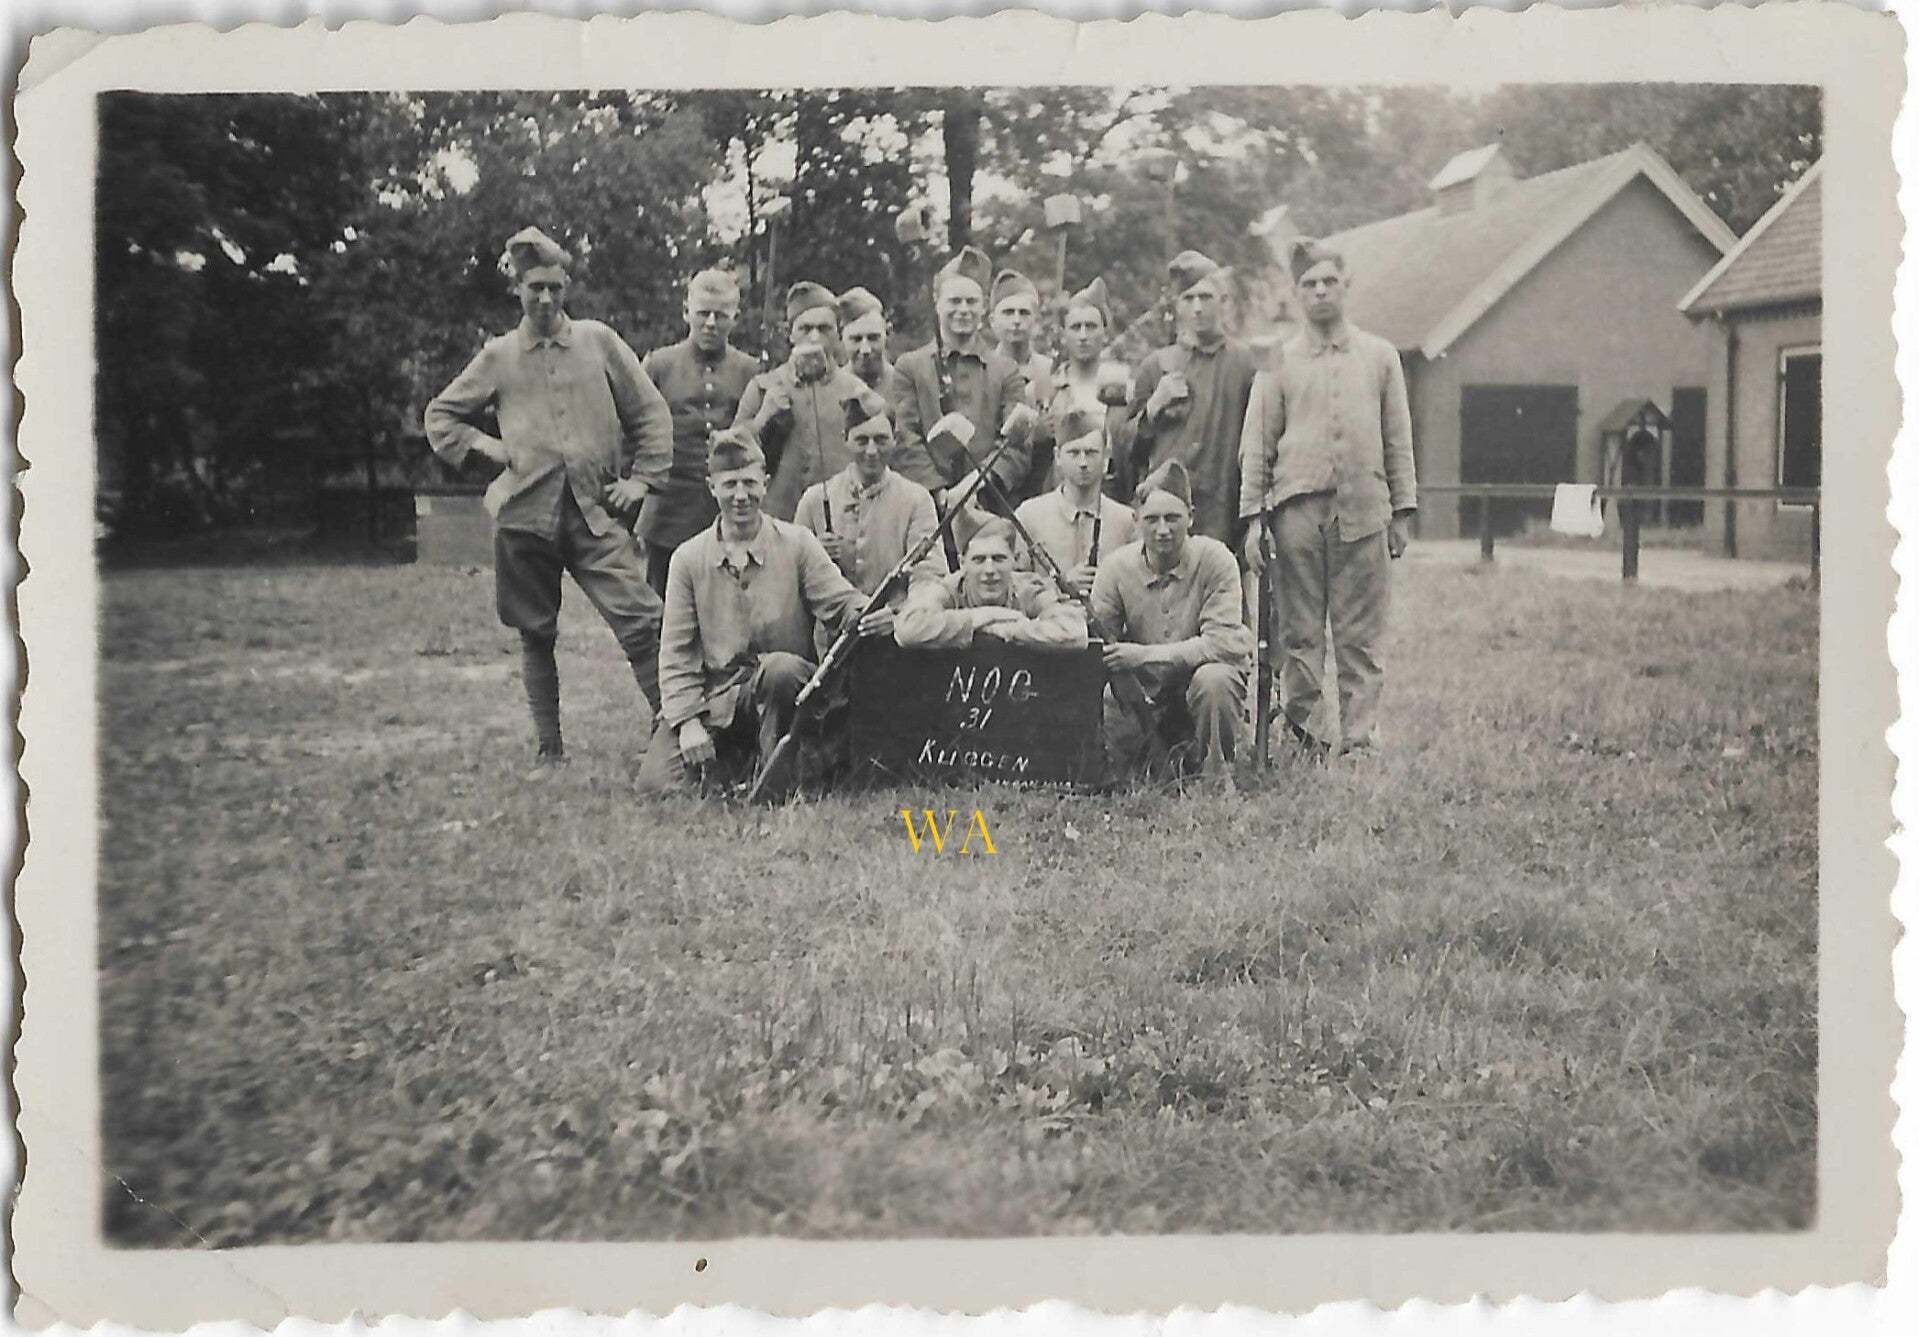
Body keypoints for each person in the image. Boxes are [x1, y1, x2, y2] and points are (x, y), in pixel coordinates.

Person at [423, 225, 673, 775]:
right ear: (516, 287)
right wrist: (488, 446)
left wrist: (641, 481)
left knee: (643, 621)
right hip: (524, 517)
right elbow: (440, 417)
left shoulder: (599, 341)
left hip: (594, 511)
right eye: (534, 286)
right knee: (535, 631)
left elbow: (651, 413)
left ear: (566, 287)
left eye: (555, 287)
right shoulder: (498, 356)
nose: (544, 298)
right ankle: (550, 750)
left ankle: (674, 730)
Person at [1238, 238, 1416, 760]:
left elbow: (1398, 438)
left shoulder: (1381, 357)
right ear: (1296, 294)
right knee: (1299, 633)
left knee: (1360, 635)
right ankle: (1305, 734)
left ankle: (1358, 739)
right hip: (1296, 515)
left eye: (1328, 282)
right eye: (1309, 284)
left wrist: (1401, 512)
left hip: (1363, 512)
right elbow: (1258, 445)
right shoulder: (1277, 361)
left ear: (1346, 286)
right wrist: (1254, 520)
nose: (1319, 292)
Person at [636, 429, 883, 796]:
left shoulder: (797, 543)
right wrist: (687, 721)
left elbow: (842, 603)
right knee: (656, 783)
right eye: (729, 484)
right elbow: (675, 653)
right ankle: (745, 761)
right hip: (716, 702)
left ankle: (772, 772)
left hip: (784, 692)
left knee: (782, 670)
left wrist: (870, 613)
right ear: (711, 487)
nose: (740, 496)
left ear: (765, 484)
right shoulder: (687, 559)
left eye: (750, 483)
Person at [1090, 460, 1253, 781]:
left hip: (1200, 683)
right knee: (1126, 772)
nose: (1163, 529)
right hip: (1144, 693)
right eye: (1151, 519)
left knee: (1216, 680)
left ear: (1191, 517)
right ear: (1135, 521)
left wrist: (1143, 654)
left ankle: (1216, 774)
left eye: (1173, 518)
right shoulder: (1114, 569)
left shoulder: (1217, 559)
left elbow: (1223, 643)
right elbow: (1098, 643)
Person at [891, 246, 1038, 532]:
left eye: (971, 302)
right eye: (954, 301)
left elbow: (1017, 446)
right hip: (925, 510)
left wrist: (974, 487)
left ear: (984, 306)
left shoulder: (1005, 370)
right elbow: (905, 439)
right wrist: (939, 493)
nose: (963, 309)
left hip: (991, 506)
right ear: (937, 303)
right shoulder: (911, 367)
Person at [636, 269, 760, 592]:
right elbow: (633, 428)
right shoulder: (658, 365)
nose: (710, 323)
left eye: (720, 315)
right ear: (686, 312)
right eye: (703, 313)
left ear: (735, 317)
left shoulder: (751, 370)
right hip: (667, 510)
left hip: (728, 506)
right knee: (663, 606)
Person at [1125, 250, 1261, 543]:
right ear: (1176, 306)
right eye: (1188, 299)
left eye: (1206, 297)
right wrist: (1152, 407)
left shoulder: (1245, 363)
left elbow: (1261, 439)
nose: (1198, 308)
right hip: (1167, 517)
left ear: (1222, 301)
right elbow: (1128, 451)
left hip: (1224, 511)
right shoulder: (1155, 366)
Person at [792, 396, 946, 641]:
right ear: (845, 439)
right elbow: (791, 581)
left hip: (896, 638)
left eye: (881, 440)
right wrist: (813, 556)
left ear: (895, 439)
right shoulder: (814, 500)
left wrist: (900, 614)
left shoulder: (917, 499)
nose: (872, 451)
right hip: (832, 642)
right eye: (862, 441)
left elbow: (930, 575)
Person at [734, 281, 880, 522]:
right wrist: (763, 416)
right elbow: (732, 451)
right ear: (790, 333)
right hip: (778, 517)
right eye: (805, 328)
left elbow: (883, 450)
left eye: (824, 329)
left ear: (837, 334)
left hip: (842, 520)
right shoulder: (763, 387)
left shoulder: (855, 390)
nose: (814, 337)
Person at [894, 519, 1088, 651]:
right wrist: (984, 617)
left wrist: (1009, 631)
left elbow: (1075, 631)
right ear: (962, 563)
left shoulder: (1029, 589)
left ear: (1015, 560)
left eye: (999, 559)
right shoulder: (947, 590)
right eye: (979, 560)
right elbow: (907, 630)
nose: (989, 570)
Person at [1012, 404, 1135, 597]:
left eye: (1091, 453)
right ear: (1057, 457)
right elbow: (1014, 586)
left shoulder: (1126, 522)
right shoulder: (1029, 516)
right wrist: (1060, 586)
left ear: (1106, 458)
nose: (1083, 463)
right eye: (1074, 453)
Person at [1051, 276, 1135, 498]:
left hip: (1112, 496)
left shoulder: (1124, 387)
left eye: (1091, 327)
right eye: (1075, 327)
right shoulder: (1048, 389)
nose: (1083, 336)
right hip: (1058, 497)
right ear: (1063, 334)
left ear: (1105, 333)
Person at [838, 286, 903, 401]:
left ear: (887, 335)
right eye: (856, 339)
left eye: (873, 338)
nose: (865, 349)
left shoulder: (904, 385)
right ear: (841, 339)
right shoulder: (832, 388)